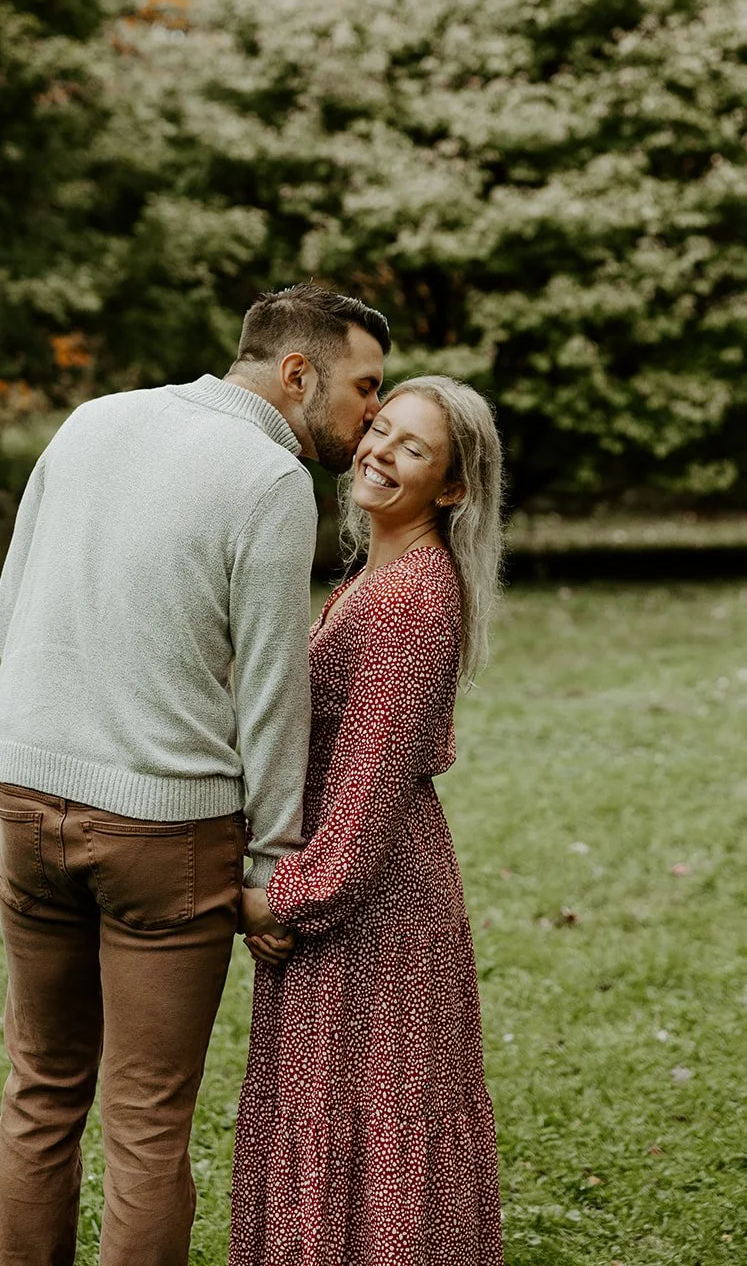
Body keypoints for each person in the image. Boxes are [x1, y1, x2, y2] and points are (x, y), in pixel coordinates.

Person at [0, 284, 391, 1266]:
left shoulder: (93, 419)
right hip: (164, 831)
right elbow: (270, 684)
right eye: (364, 386)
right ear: (296, 373)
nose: (373, 413)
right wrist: (273, 860)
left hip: (26, 800)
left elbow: (14, 596)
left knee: (40, 1091)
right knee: (146, 1123)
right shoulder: (264, 477)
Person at [230, 375, 506, 1266]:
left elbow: (372, 779)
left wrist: (286, 898)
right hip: (349, 896)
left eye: (412, 448)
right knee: (345, 1122)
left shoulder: (412, 601)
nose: (379, 452)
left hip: (371, 908)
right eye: (379, 430)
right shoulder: (372, 576)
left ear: (452, 487)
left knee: (372, 1130)